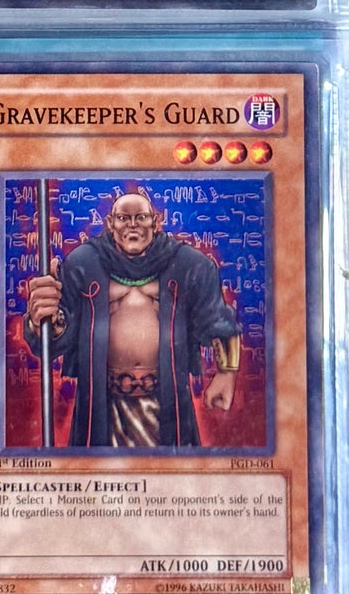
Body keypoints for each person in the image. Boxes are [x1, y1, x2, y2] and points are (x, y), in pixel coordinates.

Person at [22, 188, 241, 448]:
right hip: (101, 409)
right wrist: (42, 319)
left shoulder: (189, 265)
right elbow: (58, 336)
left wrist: (227, 373)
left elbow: (217, 320)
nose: (132, 225)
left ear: (155, 222)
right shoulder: (82, 264)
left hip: (168, 406)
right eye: (124, 218)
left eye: (141, 217)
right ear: (110, 223)